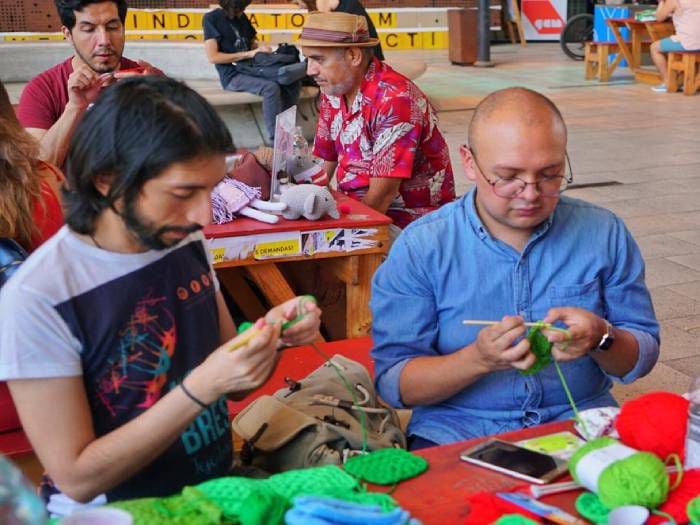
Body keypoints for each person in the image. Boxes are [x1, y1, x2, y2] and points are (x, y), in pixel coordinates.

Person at [0, 76, 321, 516]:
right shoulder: (37, 296)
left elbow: (227, 370)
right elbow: (76, 476)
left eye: (211, 189)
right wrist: (201, 387)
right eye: (183, 193)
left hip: (213, 496)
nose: (204, 215)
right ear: (106, 180)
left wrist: (272, 334)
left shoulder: (182, 239)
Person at [370, 87, 660, 449]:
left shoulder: (603, 232)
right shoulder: (423, 246)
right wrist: (475, 360)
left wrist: (602, 337)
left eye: (550, 174)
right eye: (508, 177)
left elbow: (642, 354)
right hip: (456, 428)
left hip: (578, 422)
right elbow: (394, 383)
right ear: (469, 162)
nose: (530, 193)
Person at [300, 12, 455, 229]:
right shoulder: (333, 90)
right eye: (307, 58)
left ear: (354, 55)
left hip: (410, 224)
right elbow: (324, 159)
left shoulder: (395, 100)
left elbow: (381, 197)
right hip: (358, 209)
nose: (310, 70)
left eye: (318, 59)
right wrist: (303, 199)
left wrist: (343, 237)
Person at [17, 0, 162, 168]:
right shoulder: (42, 90)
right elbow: (37, 171)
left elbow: (185, 157)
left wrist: (157, 103)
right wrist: (75, 107)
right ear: (68, 34)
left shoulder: (151, 81)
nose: (104, 40)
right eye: (89, 29)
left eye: (112, 27)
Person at [204, 0, 302, 145]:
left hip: (252, 69)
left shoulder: (242, 18)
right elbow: (213, 57)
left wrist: (261, 50)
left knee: (290, 80)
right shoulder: (211, 18)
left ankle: (287, 132)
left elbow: (252, 45)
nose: (241, 11)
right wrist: (249, 54)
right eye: (240, 8)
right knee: (270, 87)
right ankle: (277, 141)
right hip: (232, 75)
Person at [292, 0, 384, 60]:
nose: (299, 7)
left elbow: (323, 29)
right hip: (353, 26)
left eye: (297, 3)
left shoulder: (321, 1)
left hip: (357, 27)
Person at [650, 0, 700, 92]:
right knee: (670, 44)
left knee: (654, 47)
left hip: (688, 42)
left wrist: (662, 2)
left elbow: (659, 17)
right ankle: (681, 80)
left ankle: (667, 82)